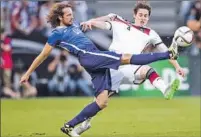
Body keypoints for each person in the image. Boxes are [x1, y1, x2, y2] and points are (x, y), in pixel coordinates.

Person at [19, 3, 178, 137]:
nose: (72, 17)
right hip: (90, 56)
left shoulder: (74, 25)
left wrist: (91, 22)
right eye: (68, 15)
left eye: (72, 14)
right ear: (60, 17)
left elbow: (98, 22)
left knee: (102, 102)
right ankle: (167, 54)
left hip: (92, 60)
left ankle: (69, 126)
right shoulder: (56, 34)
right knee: (127, 58)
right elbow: (43, 55)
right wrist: (27, 73)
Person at [74, 1, 184, 136]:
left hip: (131, 65)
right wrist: (92, 22)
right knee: (100, 101)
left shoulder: (151, 34)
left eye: (146, 16)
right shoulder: (120, 24)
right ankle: (85, 124)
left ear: (148, 18)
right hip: (112, 65)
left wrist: (177, 66)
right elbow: (105, 24)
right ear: (134, 15)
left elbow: (166, 52)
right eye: (141, 15)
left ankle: (165, 89)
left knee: (147, 70)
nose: (143, 18)